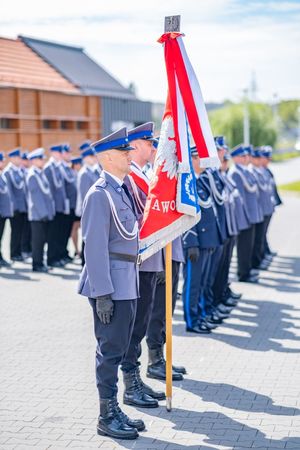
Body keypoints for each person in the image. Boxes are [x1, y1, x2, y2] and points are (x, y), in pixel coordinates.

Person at [78, 127, 144, 440]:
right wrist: (103, 292)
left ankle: (115, 407)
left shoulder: (121, 189)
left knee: (119, 348)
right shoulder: (99, 194)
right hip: (111, 287)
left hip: (127, 280)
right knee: (110, 351)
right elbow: (93, 247)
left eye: (130, 150)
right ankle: (106, 414)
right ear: (107, 157)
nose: (130, 155)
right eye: (124, 152)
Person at [121, 122, 165, 408]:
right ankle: (130, 383)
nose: (153, 148)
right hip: (139, 263)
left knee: (143, 322)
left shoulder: (144, 175)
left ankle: (135, 378)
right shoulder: (130, 178)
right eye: (149, 143)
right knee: (134, 326)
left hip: (150, 261)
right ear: (136, 145)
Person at [229, 145, 261, 283]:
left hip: (251, 216)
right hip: (245, 217)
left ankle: (246, 271)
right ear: (235, 158)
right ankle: (243, 273)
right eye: (242, 156)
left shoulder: (243, 171)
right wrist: (246, 217)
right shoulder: (236, 172)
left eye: (246, 156)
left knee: (249, 246)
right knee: (244, 247)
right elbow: (240, 200)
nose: (246, 158)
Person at [26, 148, 55, 272]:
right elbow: (36, 198)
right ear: (33, 161)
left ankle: (41, 263)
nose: (43, 161)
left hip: (44, 214)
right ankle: (37, 265)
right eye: (40, 159)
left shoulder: (40, 173)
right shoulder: (32, 175)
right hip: (38, 215)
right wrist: (44, 214)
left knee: (42, 241)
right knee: (38, 242)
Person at [44, 145, 69, 268]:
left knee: (58, 233)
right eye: (58, 152)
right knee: (52, 235)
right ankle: (51, 259)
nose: (60, 155)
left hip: (60, 206)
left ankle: (57, 256)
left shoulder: (57, 167)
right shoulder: (49, 168)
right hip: (54, 207)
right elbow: (49, 190)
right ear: (53, 153)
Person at [75, 143, 100, 266]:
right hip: (88, 210)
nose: (94, 158)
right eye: (91, 156)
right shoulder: (84, 173)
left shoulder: (93, 171)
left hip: (93, 209)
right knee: (86, 236)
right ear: (85, 158)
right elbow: (86, 195)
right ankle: (84, 263)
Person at [3, 148, 27, 262]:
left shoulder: (19, 171)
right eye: (17, 157)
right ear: (12, 158)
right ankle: (13, 253)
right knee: (15, 231)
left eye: (19, 157)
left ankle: (18, 252)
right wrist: (13, 207)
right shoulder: (8, 172)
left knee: (20, 231)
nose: (19, 159)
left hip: (23, 206)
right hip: (15, 207)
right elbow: (9, 192)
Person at [60, 144, 77, 263]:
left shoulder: (67, 168)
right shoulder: (60, 167)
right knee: (62, 231)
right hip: (64, 206)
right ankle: (60, 254)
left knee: (66, 231)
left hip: (71, 204)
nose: (69, 155)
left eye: (70, 153)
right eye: (67, 153)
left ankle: (64, 253)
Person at [0, 152, 13, 267]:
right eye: (1, 160)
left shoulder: (1, 174)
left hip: (3, 213)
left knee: (1, 236)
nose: (3, 162)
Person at [70, 156, 82, 259]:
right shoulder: (73, 175)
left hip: (77, 206)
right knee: (75, 228)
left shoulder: (78, 174)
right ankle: (76, 250)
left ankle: (77, 250)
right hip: (75, 207)